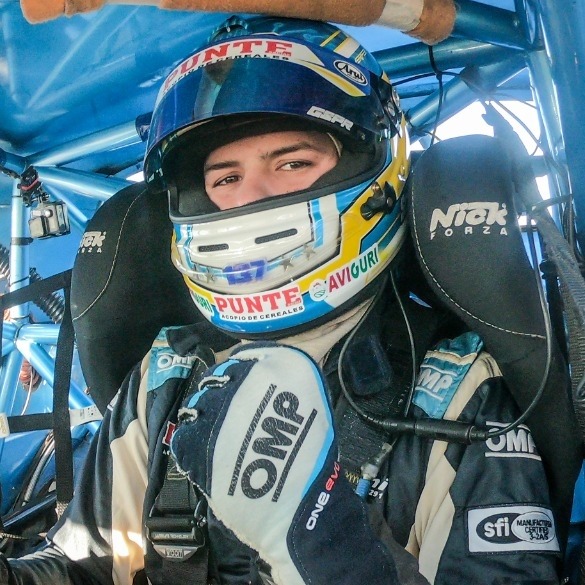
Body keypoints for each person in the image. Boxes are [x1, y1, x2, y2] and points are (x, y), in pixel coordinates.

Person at [0, 14, 563, 585]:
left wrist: (329, 553)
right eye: (225, 179)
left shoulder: (456, 391)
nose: (251, 198)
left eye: (293, 163)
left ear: (375, 172)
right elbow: (86, 564)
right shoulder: (168, 372)